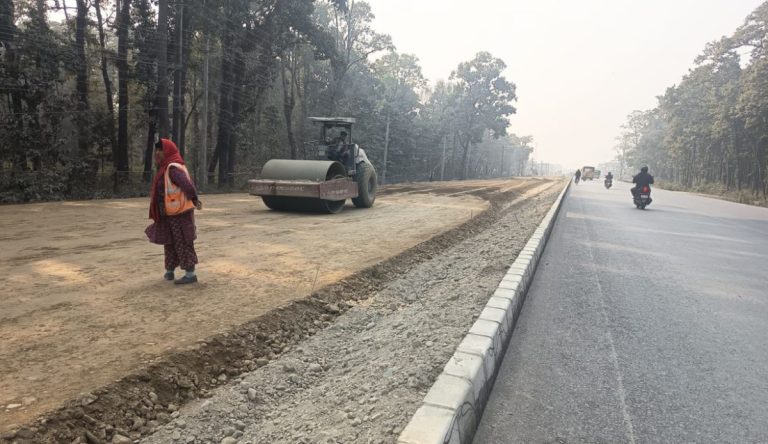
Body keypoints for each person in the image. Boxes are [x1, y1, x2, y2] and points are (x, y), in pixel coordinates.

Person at [145, 138, 203, 285]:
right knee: (169, 241)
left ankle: (190, 274)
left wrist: (194, 199)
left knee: (183, 241)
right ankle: (170, 270)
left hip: (180, 213)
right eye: (157, 150)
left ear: (168, 151)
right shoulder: (165, 168)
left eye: (161, 150)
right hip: (169, 213)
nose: (157, 153)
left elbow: (187, 185)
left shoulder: (172, 168)